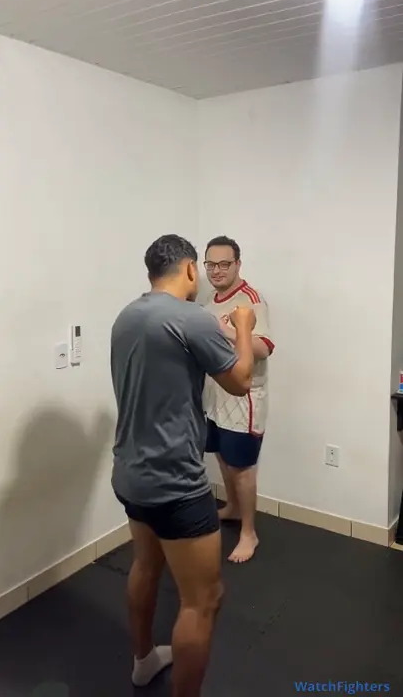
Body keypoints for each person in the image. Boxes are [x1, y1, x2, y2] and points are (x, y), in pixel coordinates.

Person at [110, 234, 256, 697]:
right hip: (175, 483)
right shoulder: (191, 318)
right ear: (191, 269)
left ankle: (143, 661)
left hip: (130, 474)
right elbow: (240, 381)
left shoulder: (126, 316)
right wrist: (244, 326)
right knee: (203, 599)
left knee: (145, 565)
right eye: (205, 268)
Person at [203, 236, 274, 564]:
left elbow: (264, 348)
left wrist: (231, 331)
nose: (216, 270)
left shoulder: (251, 300)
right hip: (213, 395)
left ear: (237, 264)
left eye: (224, 264)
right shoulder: (209, 299)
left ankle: (249, 533)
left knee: (242, 467)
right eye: (211, 264)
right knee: (221, 455)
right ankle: (232, 507)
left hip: (243, 399)